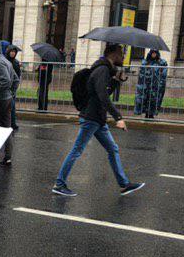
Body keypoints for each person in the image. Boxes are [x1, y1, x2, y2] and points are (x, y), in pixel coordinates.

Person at [52, 43, 145, 197]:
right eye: (121, 54)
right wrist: (118, 117)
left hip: (98, 119)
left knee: (112, 149)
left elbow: (103, 93)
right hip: (91, 118)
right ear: (113, 54)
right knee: (77, 150)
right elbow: (102, 96)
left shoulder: (105, 70)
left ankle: (124, 184)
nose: (123, 57)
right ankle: (59, 184)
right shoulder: (102, 70)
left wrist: (116, 80)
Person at [134, 49, 168, 119]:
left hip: (156, 86)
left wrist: (160, 83)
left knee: (154, 100)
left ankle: (151, 114)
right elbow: (141, 73)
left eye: (155, 53)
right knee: (145, 99)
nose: (154, 54)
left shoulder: (162, 62)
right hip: (146, 85)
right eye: (152, 53)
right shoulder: (145, 62)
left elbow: (163, 75)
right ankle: (146, 113)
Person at [6, 44, 21, 130]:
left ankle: (12, 123)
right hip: (6, 85)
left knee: (12, 106)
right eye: (11, 51)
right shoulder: (5, 61)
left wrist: (15, 86)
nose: (13, 53)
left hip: (13, 87)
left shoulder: (16, 62)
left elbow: (18, 75)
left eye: (14, 52)